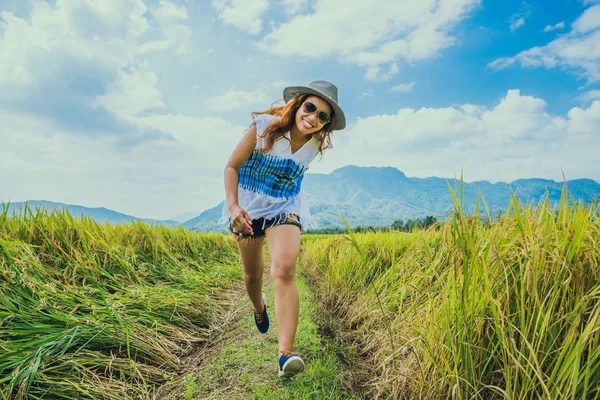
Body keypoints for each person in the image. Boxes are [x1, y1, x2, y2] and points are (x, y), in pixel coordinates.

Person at [221, 80, 346, 378]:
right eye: (310, 108)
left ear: (326, 124)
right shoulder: (263, 127)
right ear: (298, 104)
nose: (313, 117)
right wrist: (234, 206)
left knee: (285, 270)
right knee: (253, 276)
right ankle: (259, 307)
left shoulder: (315, 144)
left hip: (284, 208)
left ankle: (285, 354)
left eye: (322, 116)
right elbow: (231, 167)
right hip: (248, 207)